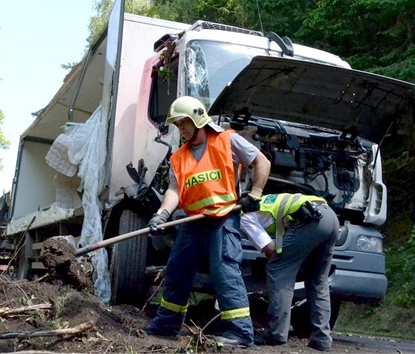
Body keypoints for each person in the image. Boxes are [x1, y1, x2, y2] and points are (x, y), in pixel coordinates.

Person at [142, 96, 271, 347]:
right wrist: (162, 214)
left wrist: (255, 194)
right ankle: (167, 323)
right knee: (177, 269)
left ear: (197, 118)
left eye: (183, 123)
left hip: (223, 218)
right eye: (177, 125)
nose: (181, 129)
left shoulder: (226, 140)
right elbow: (175, 189)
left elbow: (261, 161)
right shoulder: (179, 157)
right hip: (194, 221)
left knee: (225, 272)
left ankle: (241, 333)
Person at [240, 193, 339, 351]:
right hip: (329, 217)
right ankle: (321, 338)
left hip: (310, 220)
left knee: (277, 268)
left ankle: (275, 334)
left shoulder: (243, 217)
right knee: (318, 280)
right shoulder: (264, 201)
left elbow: (270, 250)